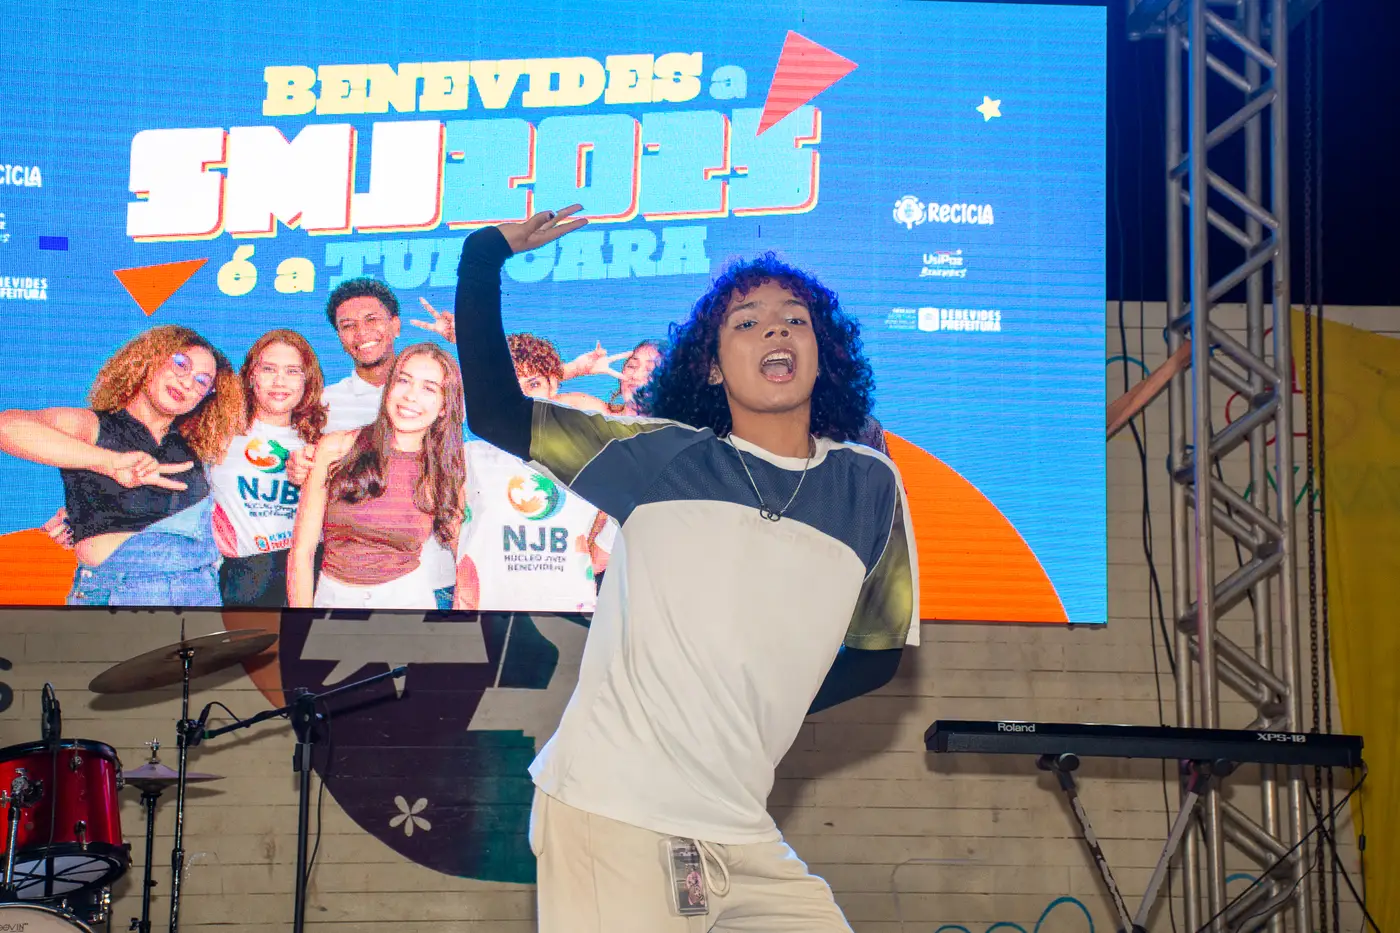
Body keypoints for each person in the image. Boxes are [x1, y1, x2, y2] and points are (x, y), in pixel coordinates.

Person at [454, 206, 918, 932]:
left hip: (741, 826)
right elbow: (496, 414)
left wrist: (746, 705)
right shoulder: (655, 455)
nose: (775, 330)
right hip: (612, 811)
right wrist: (483, 256)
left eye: (795, 320)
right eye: (747, 322)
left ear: (823, 351)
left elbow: (878, 655)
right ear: (711, 364)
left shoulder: (869, 486)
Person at [0, 325, 244, 605]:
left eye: (202, 381)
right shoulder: (94, 426)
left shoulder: (199, 449)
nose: (188, 383)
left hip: (198, 595)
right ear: (151, 358)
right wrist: (110, 463)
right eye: (180, 364)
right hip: (118, 598)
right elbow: (7, 428)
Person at [288, 279, 458, 607]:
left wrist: (466, 342)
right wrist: (300, 466)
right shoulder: (325, 404)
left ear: (395, 325)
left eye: (371, 319)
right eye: (347, 325)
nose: (361, 332)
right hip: (345, 582)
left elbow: (520, 389)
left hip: (431, 582)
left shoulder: (443, 392)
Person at [208, 329, 326, 606]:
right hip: (244, 582)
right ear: (251, 376)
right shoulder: (218, 434)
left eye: (292, 371)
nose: (279, 381)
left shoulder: (321, 442)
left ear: (307, 380)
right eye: (269, 369)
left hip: (310, 577)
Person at [606, 339, 663, 415]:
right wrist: (590, 366)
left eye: (649, 369)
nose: (635, 376)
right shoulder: (597, 413)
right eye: (632, 366)